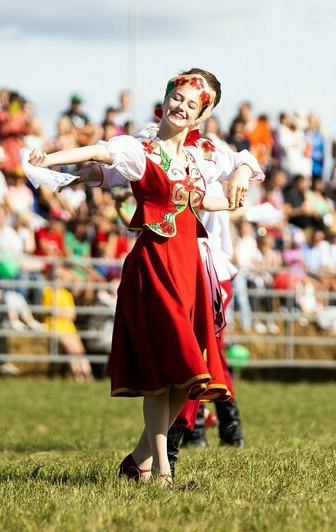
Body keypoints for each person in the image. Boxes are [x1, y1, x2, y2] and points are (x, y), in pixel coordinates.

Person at [24, 68, 255, 485]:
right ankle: (162, 471)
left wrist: (239, 183)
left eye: (192, 104)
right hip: (155, 262)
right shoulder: (141, 148)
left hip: (189, 265)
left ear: (202, 114)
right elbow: (98, 154)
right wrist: (50, 159)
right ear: (166, 98)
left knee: (189, 372)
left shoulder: (198, 155)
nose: (181, 107)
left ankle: (137, 460)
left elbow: (224, 187)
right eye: (177, 98)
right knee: (160, 373)